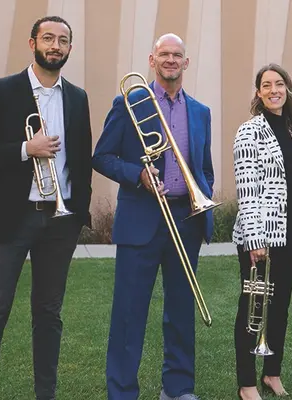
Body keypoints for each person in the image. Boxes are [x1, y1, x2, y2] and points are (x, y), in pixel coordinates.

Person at [0, 15, 92, 400]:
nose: (55, 45)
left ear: (70, 48)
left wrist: (78, 210)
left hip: (59, 224)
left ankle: (45, 395)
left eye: (62, 40)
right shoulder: (2, 90)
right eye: (48, 38)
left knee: (49, 316)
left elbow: (81, 159)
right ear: (32, 42)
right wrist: (26, 149)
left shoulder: (78, 96)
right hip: (11, 219)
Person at [92, 33, 214, 400]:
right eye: (164, 54)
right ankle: (123, 392)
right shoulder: (130, 101)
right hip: (141, 219)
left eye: (178, 55)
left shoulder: (200, 111)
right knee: (129, 313)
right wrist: (137, 174)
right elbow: (102, 156)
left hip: (184, 218)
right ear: (152, 59)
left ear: (186, 63)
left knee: (181, 310)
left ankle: (178, 389)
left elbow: (204, 166)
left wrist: (200, 198)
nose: (171, 60)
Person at [231, 63, 292, 400]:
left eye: (279, 84)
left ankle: (272, 373)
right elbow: (246, 188)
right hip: (260, 236)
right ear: (258, 92)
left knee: (279, 306)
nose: (273, 90)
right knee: (251, 307)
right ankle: (246, 382)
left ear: (288, 89)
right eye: (266, 85)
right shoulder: (249, 131)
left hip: (290, 233)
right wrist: (255, 240)